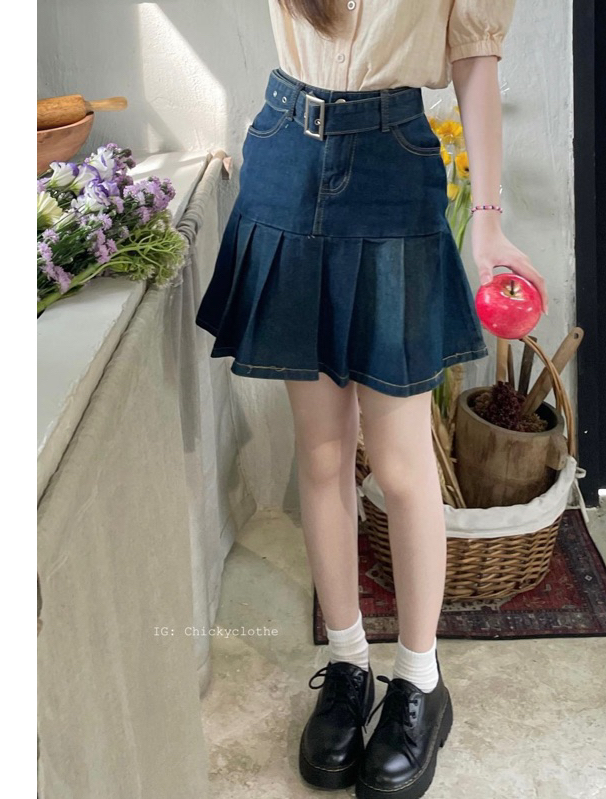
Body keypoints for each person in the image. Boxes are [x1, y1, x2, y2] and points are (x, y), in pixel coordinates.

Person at [195, 1, 547, 796]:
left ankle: (419, 679)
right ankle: (347, 662)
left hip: (391, 166)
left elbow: (474, 62)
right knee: (322, 453)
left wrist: (486, 222)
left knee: (399, 462)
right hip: (286, 153)